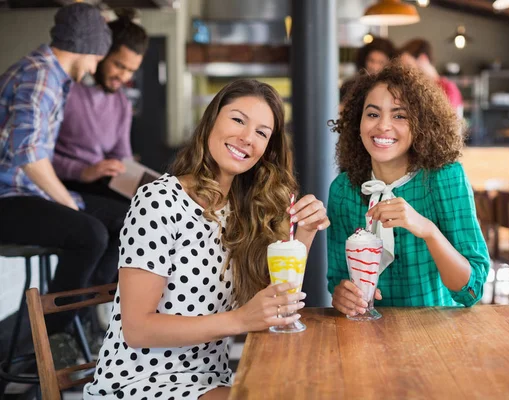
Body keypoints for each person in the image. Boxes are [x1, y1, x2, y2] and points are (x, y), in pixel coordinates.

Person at [84, 79, 330, 400]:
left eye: (261, 132)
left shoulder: (241, 212)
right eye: (238, 120)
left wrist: (305, 232)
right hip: (140, 383)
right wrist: (239, 319)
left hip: (210, 380)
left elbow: (271, 303)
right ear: (211, 120)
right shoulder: (158, 200)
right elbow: (137, 329)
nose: (246, 138)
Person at [327, 62, 489, 317]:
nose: (383, 126)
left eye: (399, 115)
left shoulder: (445, 178)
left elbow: (471, 291)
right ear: (357, 123)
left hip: (438, 335)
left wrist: (428, 230)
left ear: (420, 124)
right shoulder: (342, 190)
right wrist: (342, 295)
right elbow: (337, 278)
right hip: (368, 335)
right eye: (372, 114)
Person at [0, 3, 118, 334]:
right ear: (85, 47)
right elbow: (28, 153)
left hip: (26, 193)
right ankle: (53, 340)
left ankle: (84, 317)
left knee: (127, 219)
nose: (95, 68)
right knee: (90, 233)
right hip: (7, 198)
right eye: (97, 57)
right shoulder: (40, 75)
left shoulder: (52, 77)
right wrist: (66, 202)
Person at [53, 8, 149, 203]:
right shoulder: (64, 90)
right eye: (119, 66)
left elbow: (123, 158)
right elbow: (36, 157)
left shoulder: (121, 103)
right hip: (63, 184)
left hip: (99, 184)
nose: (124, 77)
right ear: (101, 53)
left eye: (131, 70)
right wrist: (83, 171)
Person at [399, 38, 464, 118]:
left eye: (408, 66)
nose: (406, 72)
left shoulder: (448, 88)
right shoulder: (415, 89)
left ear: (423, 58)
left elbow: (449, 124)